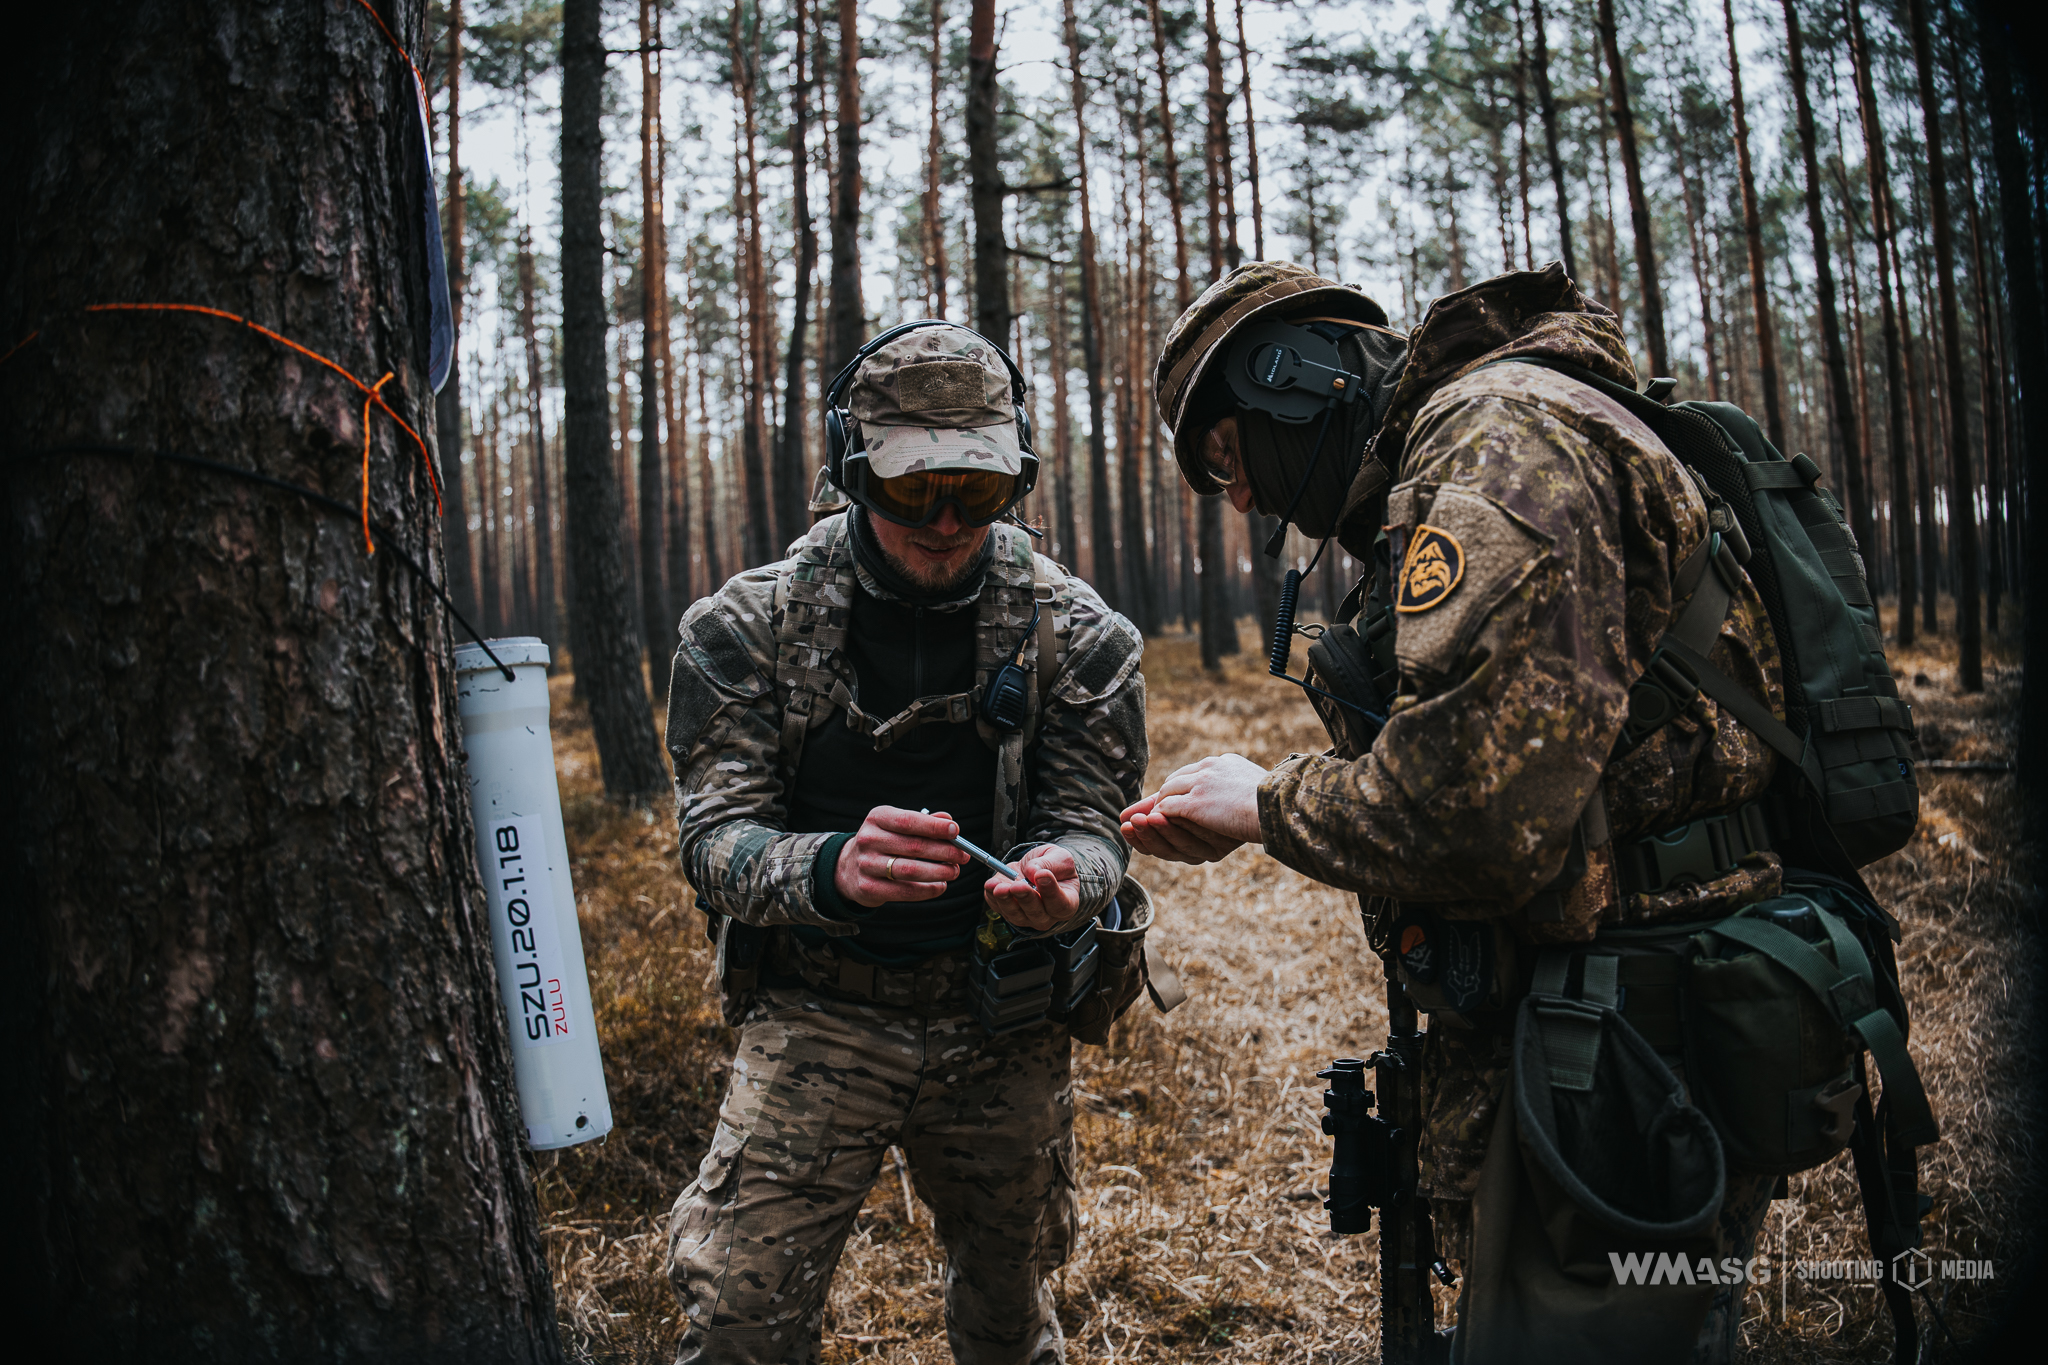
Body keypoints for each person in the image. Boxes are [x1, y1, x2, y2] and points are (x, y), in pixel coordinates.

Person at [1124, 261, 1786, 1362]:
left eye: (1230, 460)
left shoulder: (1491, 449)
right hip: (1622, 1008)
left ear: (1290, 378)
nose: (1240, 501)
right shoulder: (1482, 438)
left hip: (1625, 1039)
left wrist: (1265, 805)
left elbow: (1476, 815)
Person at [662, 321, 1148, 1365]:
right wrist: (826, 868)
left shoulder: (1079, 635)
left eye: (975, 495)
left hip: (1000, 1017)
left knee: (1007, 1314)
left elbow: (1094, 828)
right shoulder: (745, 628)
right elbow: (712, 839)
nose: (940, 523)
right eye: (907, 490)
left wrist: (1070, 882)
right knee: (739, 1321)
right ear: (849, 474)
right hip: (817, 1011)